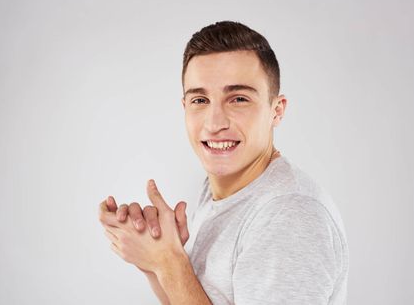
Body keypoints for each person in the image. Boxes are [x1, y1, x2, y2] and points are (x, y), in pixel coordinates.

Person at [98, 21, 349, 304]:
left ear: (276, 110)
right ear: (185, 107)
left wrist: (170, 262)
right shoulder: (224, 188)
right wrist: (156, 260)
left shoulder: (288, 214)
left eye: (238, 99)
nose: (215, 123)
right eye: (200, 100)